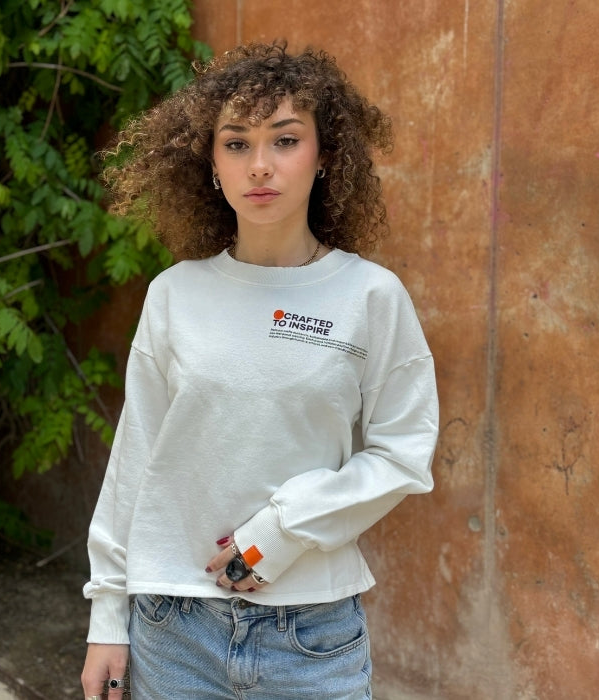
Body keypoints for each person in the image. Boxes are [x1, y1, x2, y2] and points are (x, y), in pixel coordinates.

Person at [81, 41, 438, 700]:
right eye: (237, 144)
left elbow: (403, 453)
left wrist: (277, 532)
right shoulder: (174, 294)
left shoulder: (371, 296)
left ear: (326, 154)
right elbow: (136, 459)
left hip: (313, 641)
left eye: (285, 140)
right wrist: (108, 618)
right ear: (211, 164)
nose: (261, 166)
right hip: (173, 630)